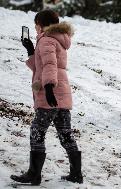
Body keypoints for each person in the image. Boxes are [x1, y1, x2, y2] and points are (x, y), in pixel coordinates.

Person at [10, 10, 83, 185]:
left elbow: (50, 65)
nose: (35, 28)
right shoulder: (57, 39)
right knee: (65, 133)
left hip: (50, 94)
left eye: (36, 25)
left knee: (37, 130)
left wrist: (49, 87)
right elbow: (42, 65)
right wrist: (30, 50)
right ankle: (76, 174)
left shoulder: (46, 39)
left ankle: (34, 174)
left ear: (41, 24)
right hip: (62, 95)